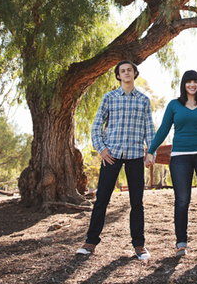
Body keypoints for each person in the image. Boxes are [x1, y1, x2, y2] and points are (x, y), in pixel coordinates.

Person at [76, 60, 155, 260]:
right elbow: (96, 127)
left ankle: (139, 245)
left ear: (135, 73)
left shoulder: (144, 101)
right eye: (122, 71)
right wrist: (102, 149)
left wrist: (151, 151)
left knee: (137, 202)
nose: (126, 73)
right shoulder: (109, 98)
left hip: (135, 155)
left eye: (130, 70)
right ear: (118, 76)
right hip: (112, 156)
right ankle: (90, 242)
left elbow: (149, 129)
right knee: (102, 198)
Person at [146, 70, 197, 258]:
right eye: (189, 81)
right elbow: (164, 129)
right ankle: (181, 243)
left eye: (195, 81)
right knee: (182, 200)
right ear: (183, 84)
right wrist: (151, 151)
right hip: (180, 156)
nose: (192, 85)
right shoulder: (174, 105)